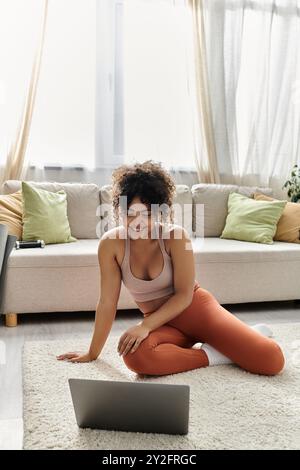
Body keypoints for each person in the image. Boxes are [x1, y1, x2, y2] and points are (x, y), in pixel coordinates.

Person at [57, 160, 285, 376]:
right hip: (163, 323)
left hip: (198, 312)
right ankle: (214, 354)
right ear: (119, 211)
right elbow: (107, 302)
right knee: (134, 355)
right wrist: (92, 353)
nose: (138, 222)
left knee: (272, 360)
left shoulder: (176, 237)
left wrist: (145, 325)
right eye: (130, 214)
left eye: (147, 214)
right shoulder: (110, 244)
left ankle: (235, 341)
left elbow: (185, 295)